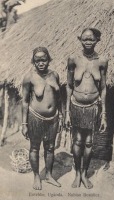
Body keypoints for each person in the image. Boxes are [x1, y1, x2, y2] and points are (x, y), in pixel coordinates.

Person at [65, 28, 108, 189]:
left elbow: (103, 88)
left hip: (93, 107)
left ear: (97, 40)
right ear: (80, 40)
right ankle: (77, 174)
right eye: (84, 39)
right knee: (77, 140)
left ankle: (84, 174)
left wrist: (103, 113)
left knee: (89, 142)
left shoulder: (102, 61)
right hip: (76, 106)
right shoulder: (73, 59)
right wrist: (67, 112)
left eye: (91, 39)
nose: (88, 42)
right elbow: (69, 86)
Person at [22, 47, 62, 190]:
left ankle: (49, 175)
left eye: (43, 60)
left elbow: (59, 98)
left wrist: (61, 116)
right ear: (33, 61)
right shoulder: (29, 77)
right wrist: (24, 123)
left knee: (50, 147)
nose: (41, 63)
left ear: (48, 60)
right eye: (37, 60)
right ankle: (36, 176)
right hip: (35, 118)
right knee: (34, 148)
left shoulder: (55, 75)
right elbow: (25, 101)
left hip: (53, 118)